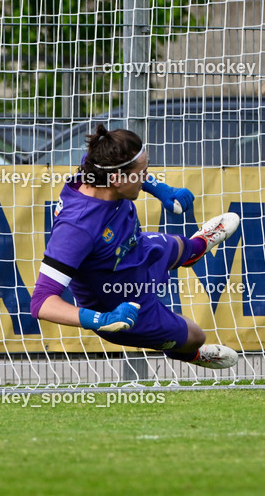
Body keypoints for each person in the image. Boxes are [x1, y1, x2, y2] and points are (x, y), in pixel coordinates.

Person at [30, 125, 240, 370]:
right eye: (143, 173)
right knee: (196, 337)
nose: (146, 176)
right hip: (121, 301)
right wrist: (101, 319)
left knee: (183, 246)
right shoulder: (75, 229)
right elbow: (41, 302)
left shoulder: (99, 160)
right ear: (117, 180)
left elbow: (127, 171)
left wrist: (160, 189)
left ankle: (197, 249)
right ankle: (188, 353)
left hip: (135, 248)